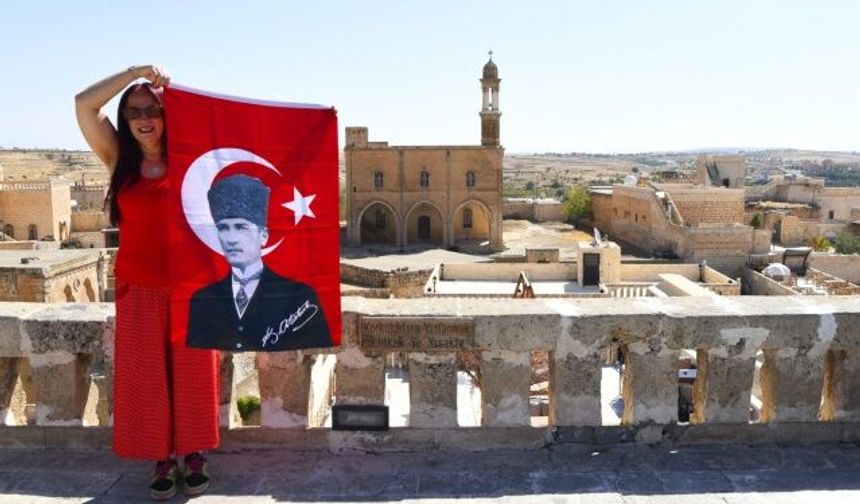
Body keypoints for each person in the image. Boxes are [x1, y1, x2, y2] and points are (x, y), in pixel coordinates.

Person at [75, 65, 219, 501]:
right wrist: (136, 73)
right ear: (126, 117)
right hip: (138, 288)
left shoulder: (191, 158)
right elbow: (84, 104)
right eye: (135, 110)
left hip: (191, 288)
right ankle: (160, 456)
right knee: (147, 378)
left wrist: (174, 93)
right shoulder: (120, 159)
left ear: (166, 113)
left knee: (193, 374)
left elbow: (223, 125)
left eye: (154, 109)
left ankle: (192, 453)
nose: (145, 118)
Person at [186, 174, 331, 351]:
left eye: (241, 227)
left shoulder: (300, 296)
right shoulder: (202, 300)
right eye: (223, 228)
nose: (231, 239)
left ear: (263, 235)